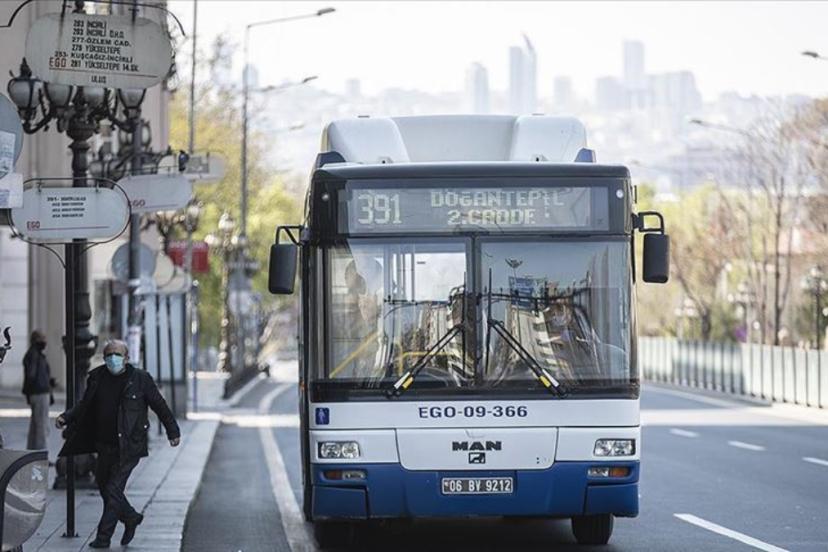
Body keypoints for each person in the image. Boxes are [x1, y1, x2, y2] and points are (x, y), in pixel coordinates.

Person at [56, 339, 180, 549]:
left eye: (118, 354)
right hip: (104, 444)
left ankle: (103, 538)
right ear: (104, 358)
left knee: (113, 488)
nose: (113, 358)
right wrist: (66, 417)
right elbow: (84, 404)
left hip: (130, 445)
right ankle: (130, 517)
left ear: (127, 358)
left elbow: (159, 405)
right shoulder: (97, 377)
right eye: (109, 354)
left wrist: (172, 431)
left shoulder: (140, 379)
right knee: (105, 488)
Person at [22, 330, 52, 450]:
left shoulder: (34, 354)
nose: (45, 341)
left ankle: (32, 452)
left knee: (36, 426)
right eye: (42, 339)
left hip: (37, 393)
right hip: (40, 393)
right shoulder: (35, 354)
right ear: (36, 341)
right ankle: (41, 454)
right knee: (42, 426)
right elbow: (31, 375)